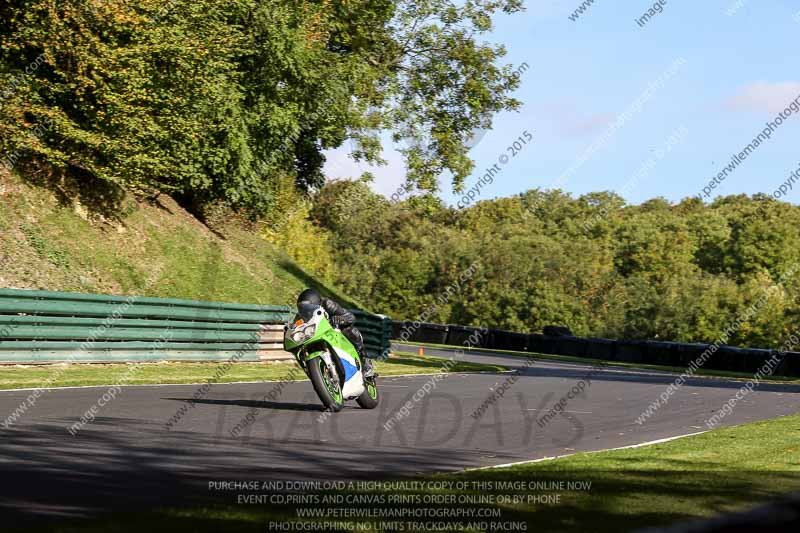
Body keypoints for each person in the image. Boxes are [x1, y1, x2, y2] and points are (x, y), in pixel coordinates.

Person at [296, 289, 375, 378]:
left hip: (335, 331)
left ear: (316, 303)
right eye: (302, 308)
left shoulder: (328, 304)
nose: (305, 311)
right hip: (317, 335)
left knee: (349, 329)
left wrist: (340, 319)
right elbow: (295, 325)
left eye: (308, 308)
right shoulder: (301, 314)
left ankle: (365, 360)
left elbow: (351, 317)